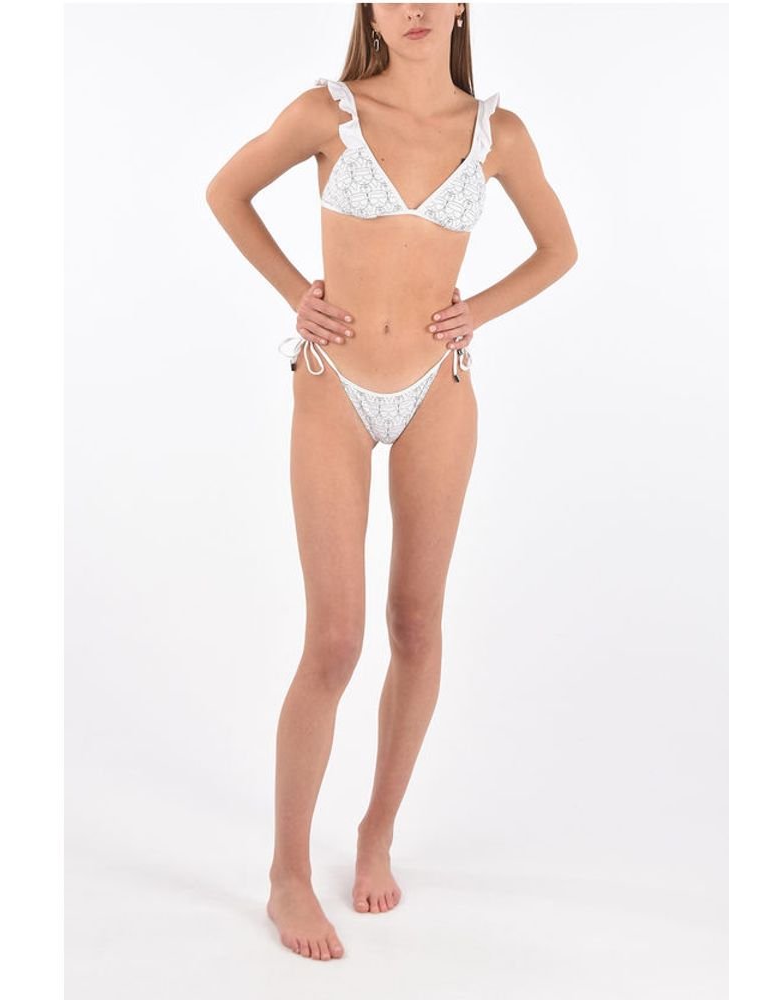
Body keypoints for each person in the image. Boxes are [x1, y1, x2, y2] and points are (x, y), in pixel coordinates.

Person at [205, 2, 577, 961]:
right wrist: (296, 293)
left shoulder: (497, 133)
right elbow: (226, 192)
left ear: (462, 6)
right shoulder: (326, 113)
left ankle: (377, 829)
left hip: (437, 394)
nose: (414, 7)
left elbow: (559, 250)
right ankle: (289, 874)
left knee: (416, 625)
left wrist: (476, 312)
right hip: (332, 388)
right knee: (333, 642)